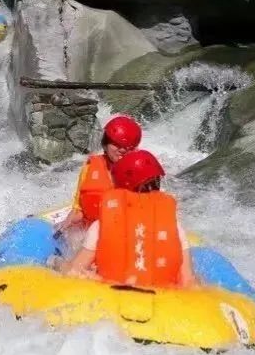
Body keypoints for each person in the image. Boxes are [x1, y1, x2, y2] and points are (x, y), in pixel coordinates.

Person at [61, 150, 196, 288]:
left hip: (112, 298)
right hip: (159, 300)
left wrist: (59, 264)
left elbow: (74, 272)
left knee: (60, 264)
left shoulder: (101, 226)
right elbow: (187, 281)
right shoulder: (175, 227)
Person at [58, 115, 142, 231]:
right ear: (105, 144)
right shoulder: (90, 167)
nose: (122, 150)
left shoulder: (141, 171)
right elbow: (79, 209)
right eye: (116, 144)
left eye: (127, 146)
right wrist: (62, 230)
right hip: (92, 228)